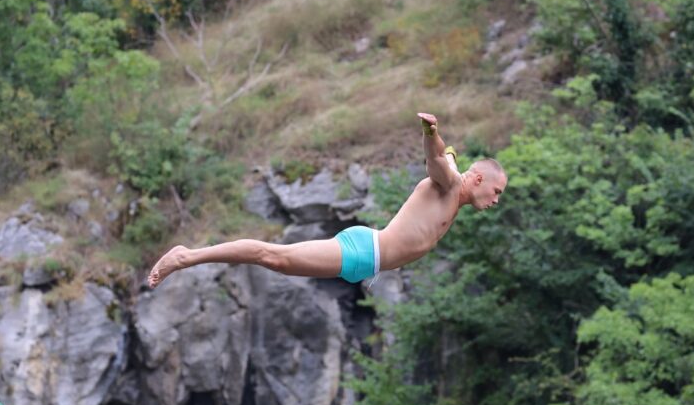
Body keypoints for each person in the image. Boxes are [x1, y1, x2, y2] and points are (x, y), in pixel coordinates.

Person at [146, 112, 507, 289]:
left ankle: (189, 257)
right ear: (478, 179)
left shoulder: (457, 189)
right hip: (364, 251)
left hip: (366, 264)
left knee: (278, 262)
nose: (496, 200)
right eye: (496, 191)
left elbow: (450, 158)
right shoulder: (447, 185)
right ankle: (186, 256)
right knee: (274, 257)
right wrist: (432, 132)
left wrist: (447, 149)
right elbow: (438, 160)